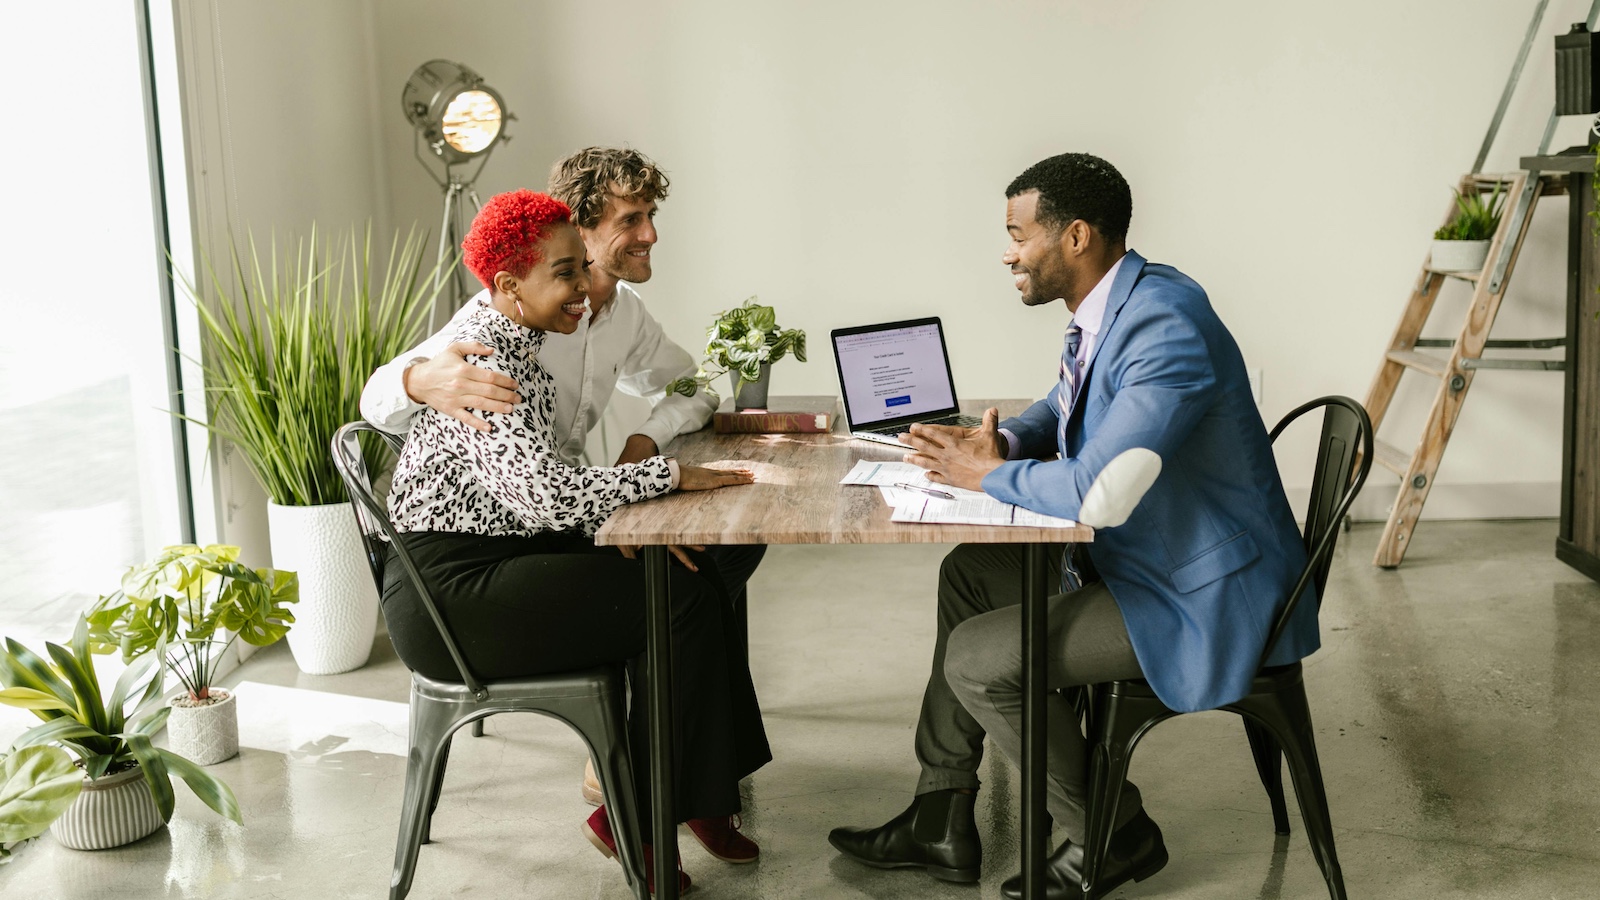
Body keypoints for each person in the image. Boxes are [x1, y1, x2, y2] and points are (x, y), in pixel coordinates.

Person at [828, 153, 1317, 900]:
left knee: (976, 658)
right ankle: (941, 811)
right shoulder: (1122, 302)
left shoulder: (1164, 325)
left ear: (1077, 236)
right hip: (1157, 555)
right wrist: (1007, 443)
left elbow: (1101, 496)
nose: (1007, 252)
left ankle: (1113, 833)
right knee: (969, 573)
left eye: (1018, 234)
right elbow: (1067, 406)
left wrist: (981, 476)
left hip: (1205, 590)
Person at [383, 189, 771, 895]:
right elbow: (544, 493)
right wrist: (668, 476)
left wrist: (633, 510)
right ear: (508, 285)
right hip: (453, 595)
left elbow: (541, 490)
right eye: (566, 273)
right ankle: (643, 817)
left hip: (511, 550)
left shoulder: (522, 339)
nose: (584, 290)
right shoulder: (479, 360)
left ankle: (699, 797)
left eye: (581, 270)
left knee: (697, 574)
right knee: (674, 602)